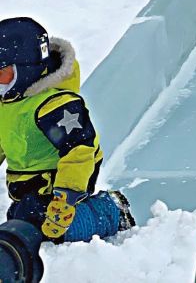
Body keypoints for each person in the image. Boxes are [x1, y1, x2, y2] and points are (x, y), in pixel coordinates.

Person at [0, 17, 135, 242]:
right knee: (18, 220)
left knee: (49, 227)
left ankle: (110, 211)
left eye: (2, 72)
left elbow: (79, 150)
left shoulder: (54, 105)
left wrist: (66, 195)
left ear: (25, 69)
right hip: (29, 181)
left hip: (61, 179)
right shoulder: (8, 102)